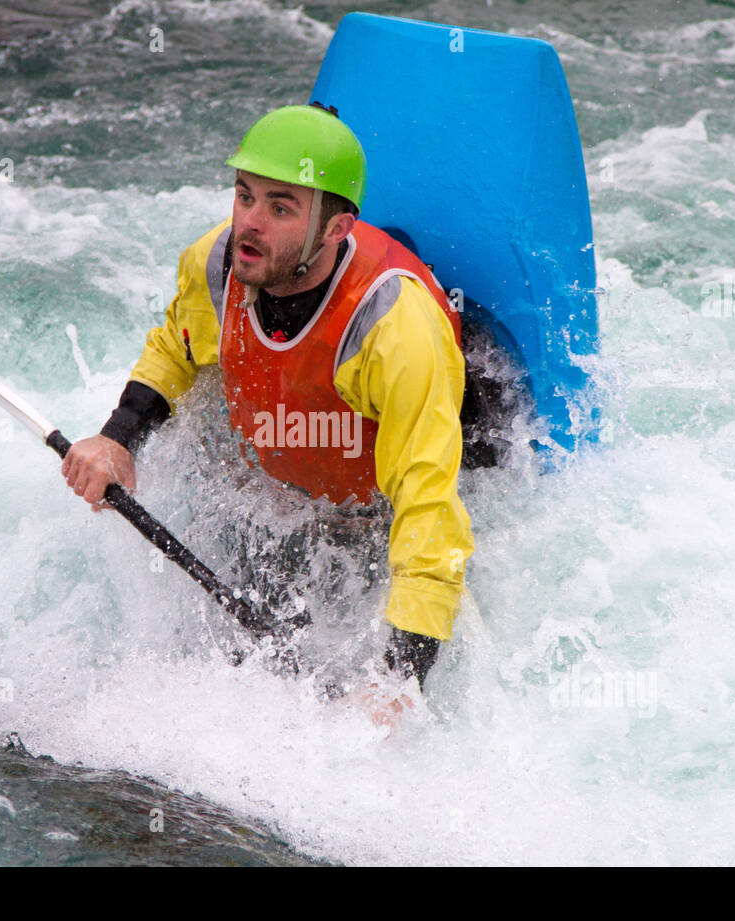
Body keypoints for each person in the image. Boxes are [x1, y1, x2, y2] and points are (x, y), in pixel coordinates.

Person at [60, 103, 474, 708]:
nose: (249, 223)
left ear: (335, 231)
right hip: (296, 490)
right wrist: (117, 436)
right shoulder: (216, 263)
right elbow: (177, 347)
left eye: (280, 208)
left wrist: (400, 677)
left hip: (391, 495)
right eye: (244, 195)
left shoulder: (393, 329)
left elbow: (430, 506)